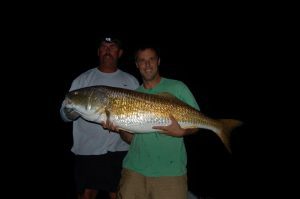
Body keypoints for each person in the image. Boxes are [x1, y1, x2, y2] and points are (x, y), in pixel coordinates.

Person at [103, 44, 200, 199]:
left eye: (151, 59)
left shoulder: (178, 87)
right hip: (133, 172)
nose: (147, 64)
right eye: (142, 60)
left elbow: (197, 123)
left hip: (170, 174)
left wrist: (182, 132)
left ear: (158, 61)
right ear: (137, 65)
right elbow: (131, 139)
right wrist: (119, 127)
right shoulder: (132, 96)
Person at [60, 35, 139, 199]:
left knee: (117, 194)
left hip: (119, 151)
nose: (108, 50)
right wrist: (70, 112)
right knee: (87, 194)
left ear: (120, 52)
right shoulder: (82, 80)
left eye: (112, 47)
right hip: (87, 150)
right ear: (98, 51)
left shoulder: (131, 81)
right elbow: (64, 113)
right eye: (104, 46)